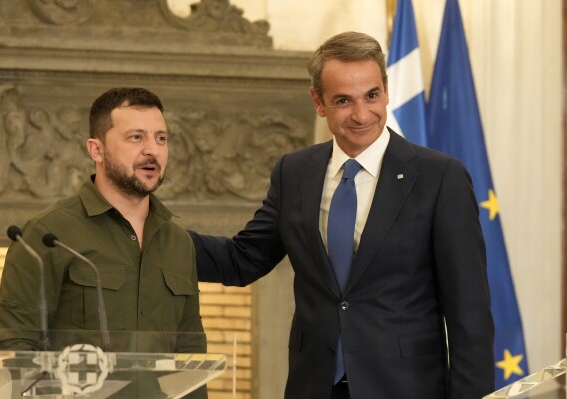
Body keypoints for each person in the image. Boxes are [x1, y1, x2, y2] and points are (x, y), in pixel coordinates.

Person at [190, 32, 495, 399]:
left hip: (406, 388)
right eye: (343, 101)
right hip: (314, 388)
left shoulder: (439, 176)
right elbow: (242, 260)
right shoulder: (294, 171)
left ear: (386, 89)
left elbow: (469, 313)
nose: (362, 114)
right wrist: (149, 231)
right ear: (318, 102)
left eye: (371, 95)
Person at [0, 87, 206, 398]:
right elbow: (16, 351)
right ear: (96, 150)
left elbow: (192, 355)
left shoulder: (179, 242)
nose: (152, 150)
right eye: (136, 137)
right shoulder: (48, 234)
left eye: (161, 138)